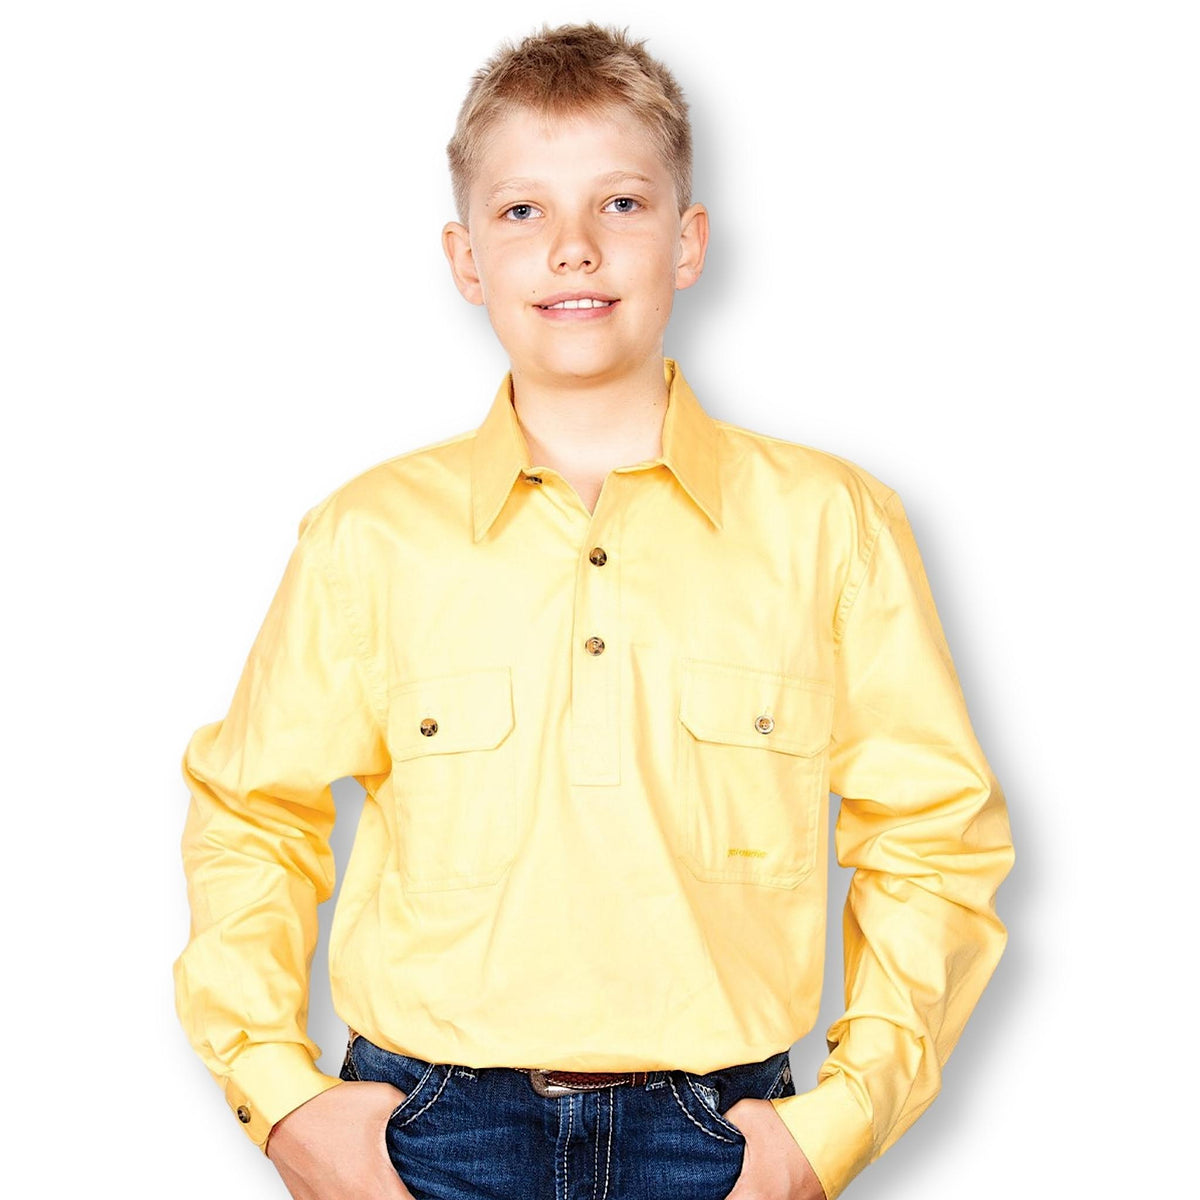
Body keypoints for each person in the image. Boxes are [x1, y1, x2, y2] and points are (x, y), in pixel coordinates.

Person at [173, 22, 1015, 1200]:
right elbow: (251, 818)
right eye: (523, 213)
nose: (573, 249)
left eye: (620, 203)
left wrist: (837, 1122)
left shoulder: (833, 526)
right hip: (427, 1139)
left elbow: (931, 834)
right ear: (467, 260)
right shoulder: (369, 536)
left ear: (687, 240)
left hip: (720, 1140)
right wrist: (282, 1098)